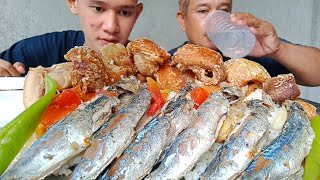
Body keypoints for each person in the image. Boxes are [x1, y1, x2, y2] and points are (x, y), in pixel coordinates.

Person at [169, 0, 320, 86]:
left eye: (223, 10)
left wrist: (279, 51)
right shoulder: (170, 63)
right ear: (182, 20)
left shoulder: (251, 52)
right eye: (203, 11)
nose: (214, 19)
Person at [0, 0, 143, 76]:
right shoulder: (37, 52)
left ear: (136, 14)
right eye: (98, 9)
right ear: (72, 2)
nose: (111, 27)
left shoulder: (153, 66)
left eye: (125, 12)